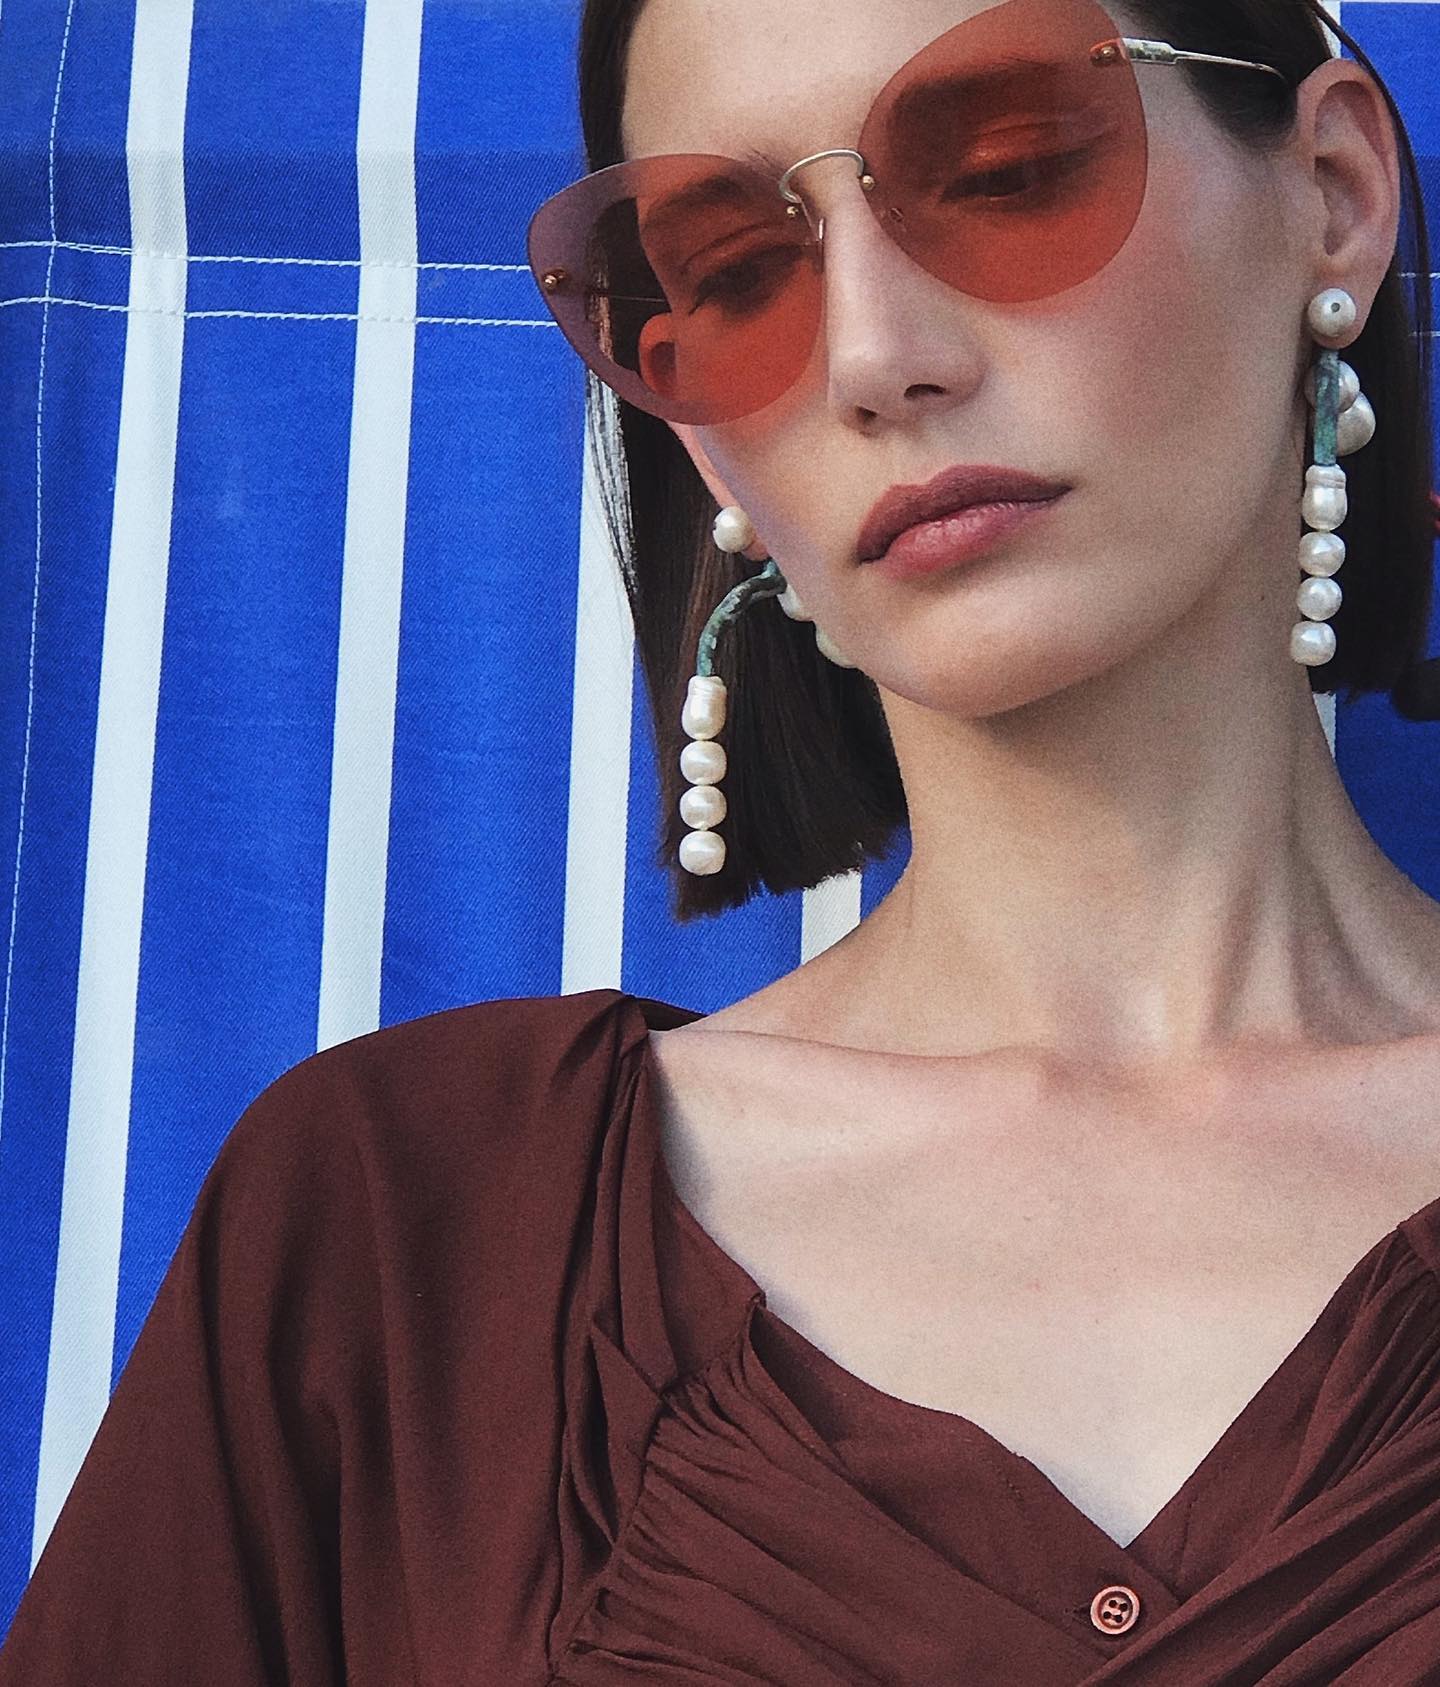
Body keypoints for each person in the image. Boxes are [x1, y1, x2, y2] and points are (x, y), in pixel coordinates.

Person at [4, 0, 1440, 1681]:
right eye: (736, 273)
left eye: (1003, 170)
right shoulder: (403, 1237)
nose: (870, 357)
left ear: (1332, 192)